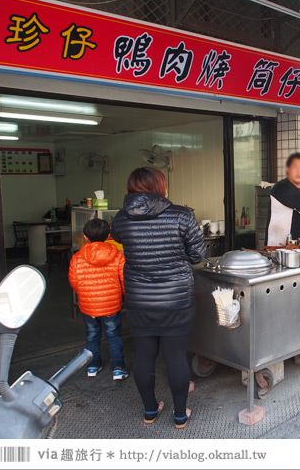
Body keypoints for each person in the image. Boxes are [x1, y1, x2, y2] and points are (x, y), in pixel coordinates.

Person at [111, 167, 205, 429]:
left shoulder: (121, 218)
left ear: (131, 187)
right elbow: (197, 256)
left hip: (140, 299)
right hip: (175, 299)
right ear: (161, 186)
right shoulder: (182, 215)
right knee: (175, 356)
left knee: (143, 356)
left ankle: (150, 411)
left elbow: (120, 239)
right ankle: (179, 415)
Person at [68, 218, 127, 380]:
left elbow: (74, 281)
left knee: (92, 335)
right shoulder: (117, 255)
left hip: (88, 306)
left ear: (85, 237)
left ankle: (93, 366)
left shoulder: (78, 257)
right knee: (113, 336)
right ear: (108, 235)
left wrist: (85, 294)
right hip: (111, 305)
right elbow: (124, 279)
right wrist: (120, 294)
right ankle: (118, 369)